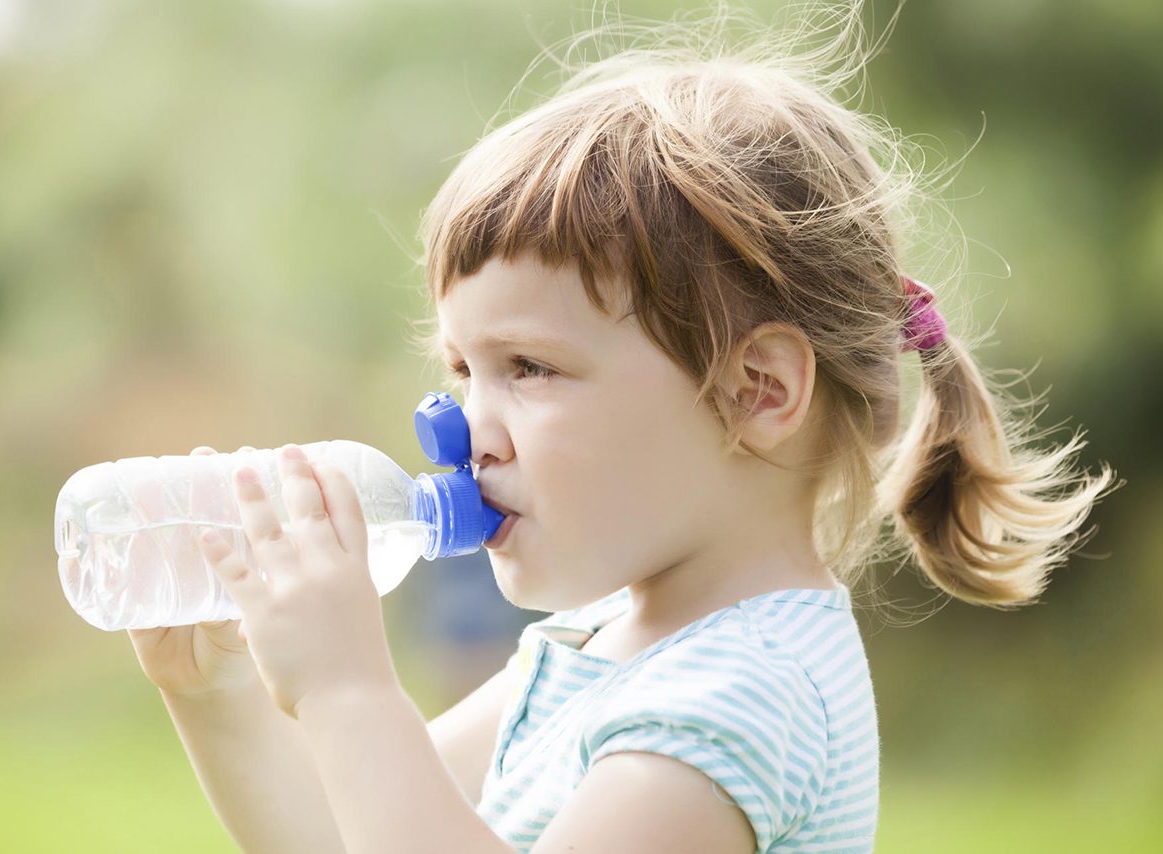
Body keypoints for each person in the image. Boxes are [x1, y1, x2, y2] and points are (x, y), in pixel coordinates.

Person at [128, 2, 1120, 852]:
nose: (469, 427)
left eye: (530, 367)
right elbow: (354, 829)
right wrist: (220, 698)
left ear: (757, 391)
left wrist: (352, 691)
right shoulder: (592, 645)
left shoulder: (744, 697)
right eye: (463, 369)